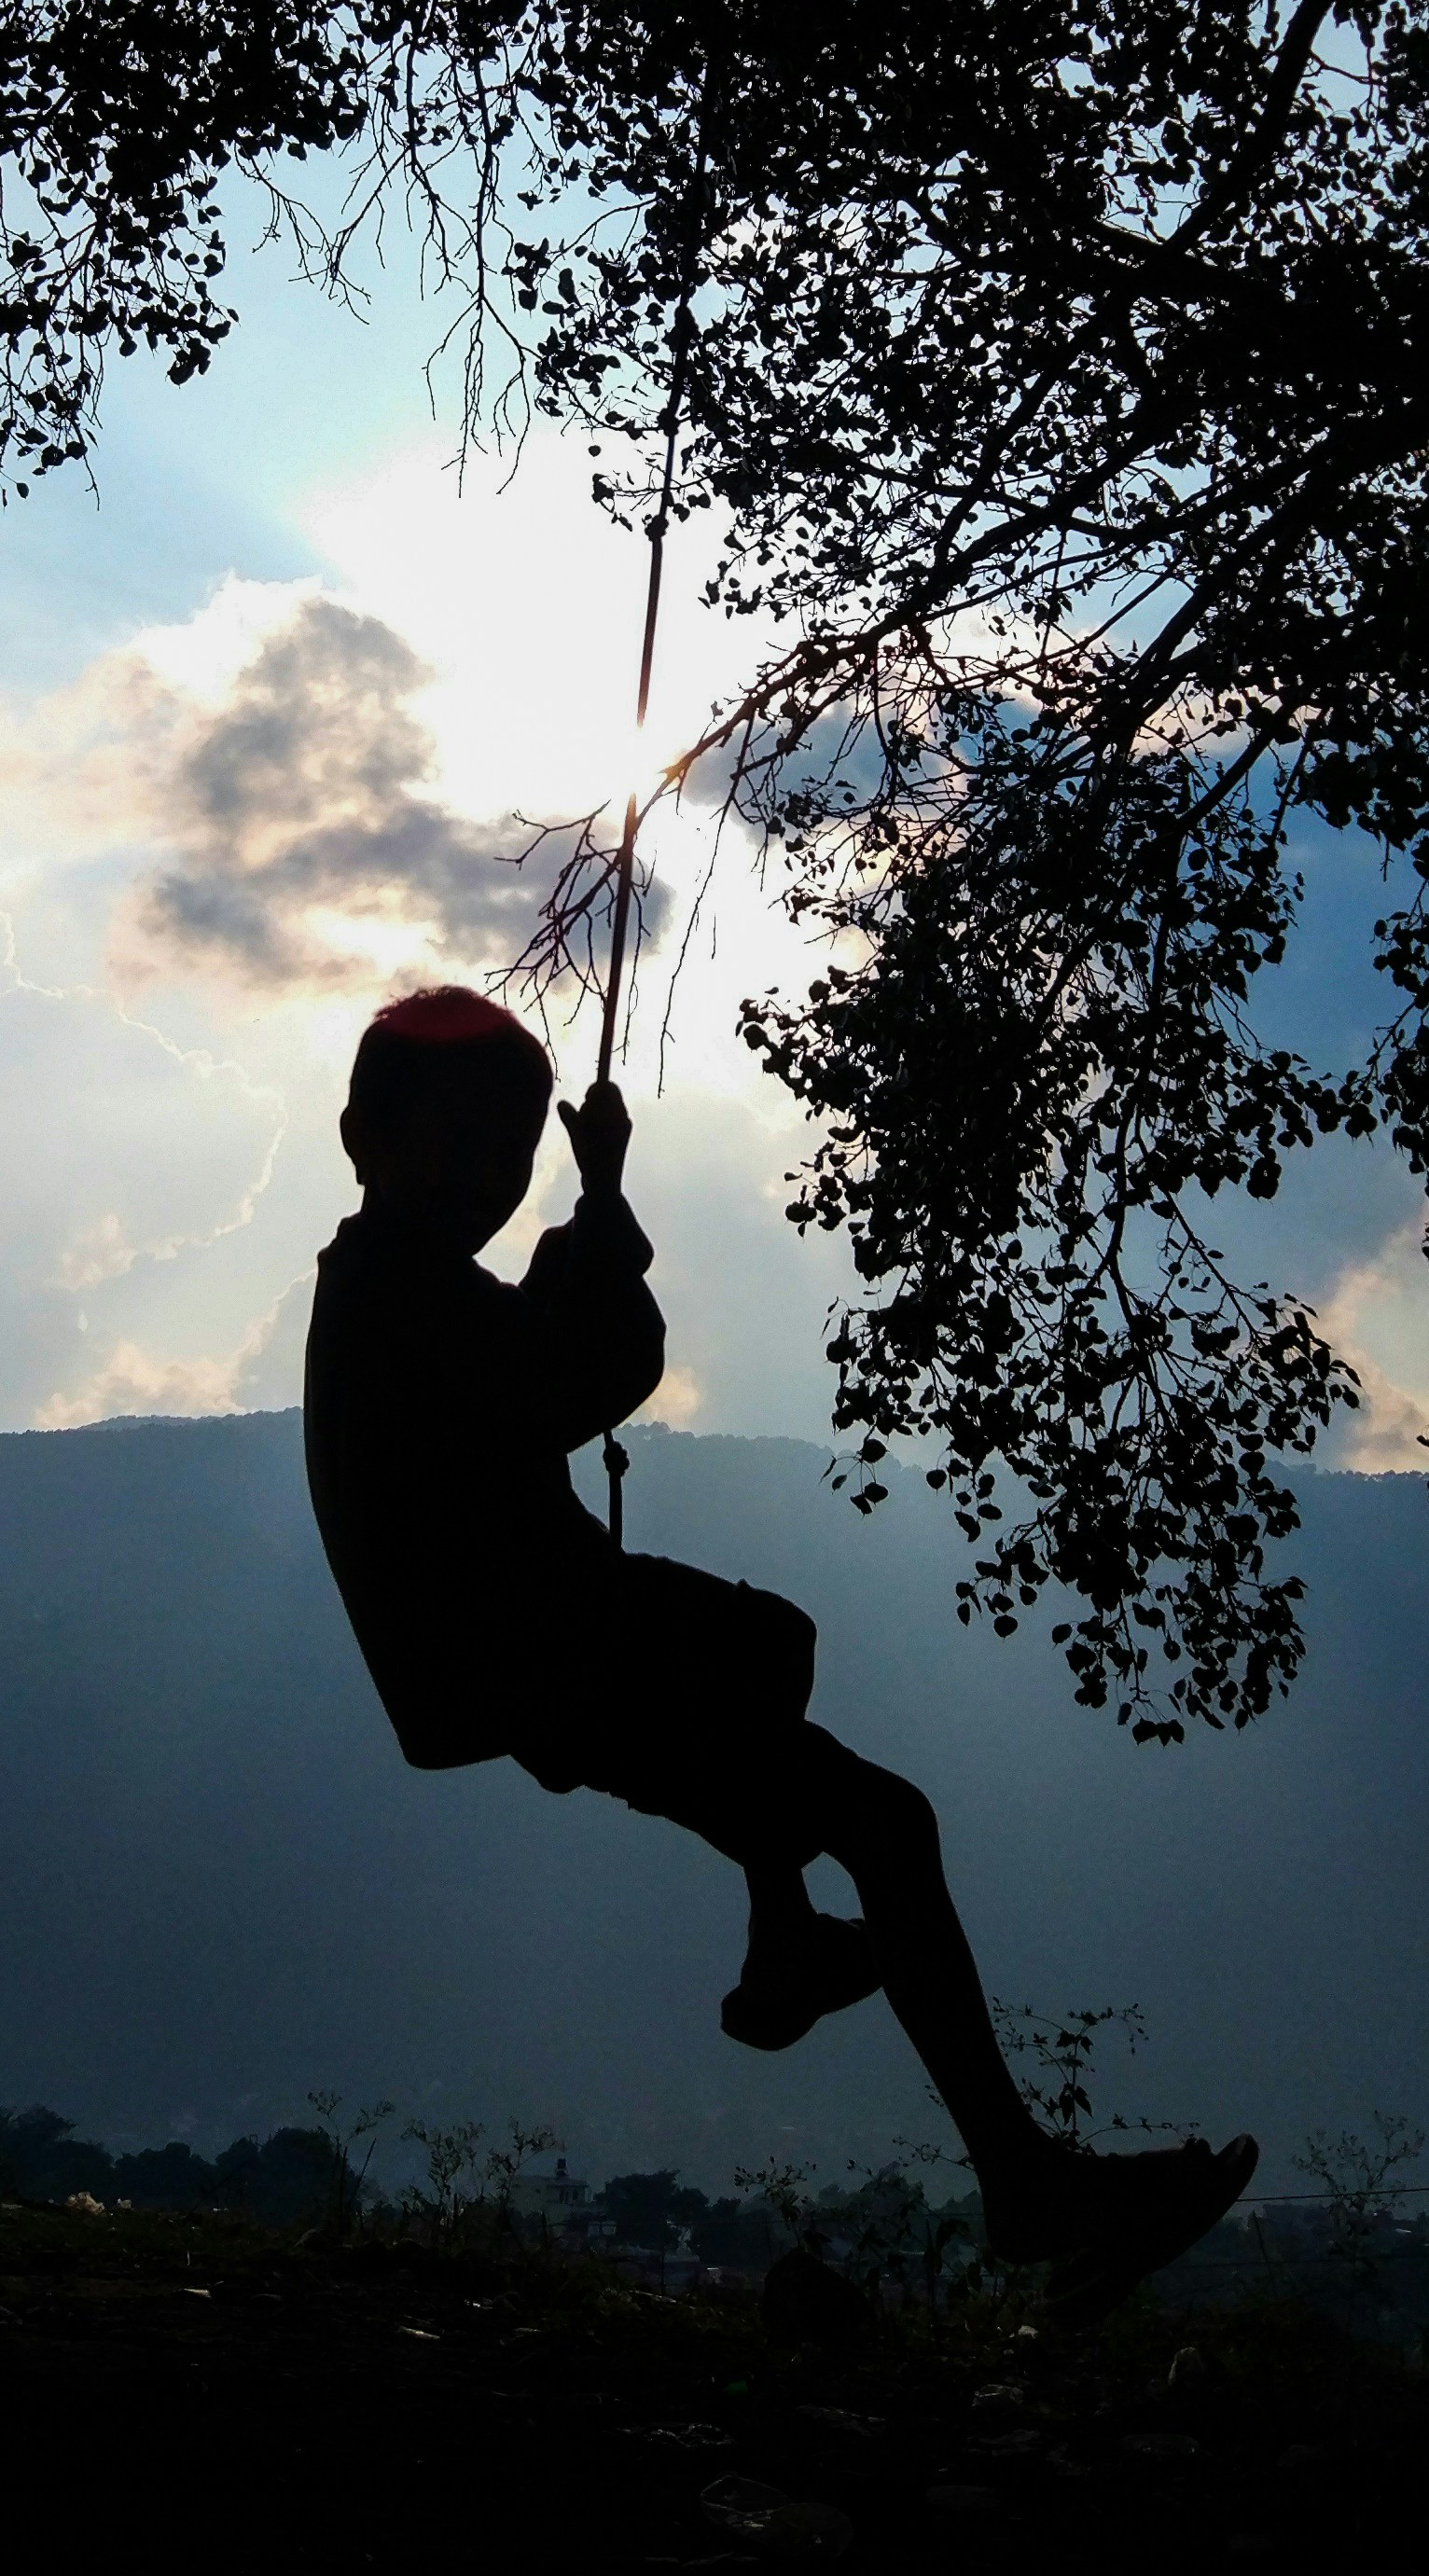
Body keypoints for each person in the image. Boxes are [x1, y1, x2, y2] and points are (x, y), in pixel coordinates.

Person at [303, 983, 1256, 2309]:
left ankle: (806, 1952)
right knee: (853, 1772)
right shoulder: (407, 1302)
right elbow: (601, 1367)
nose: (492, 1177)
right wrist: (605, 1221)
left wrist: (592, 1208)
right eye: (465, 1147)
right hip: (544, 1656)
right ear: (365, 1138)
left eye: (511, 1153)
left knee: (824, 1734)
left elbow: (535, 1345)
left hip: (539, 1654)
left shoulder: (396, 1293)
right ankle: (999, 2158)